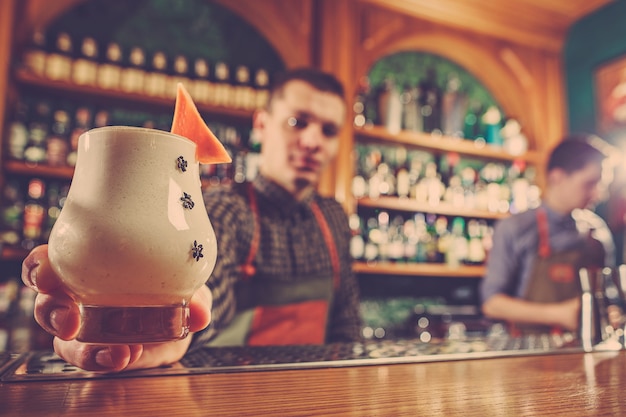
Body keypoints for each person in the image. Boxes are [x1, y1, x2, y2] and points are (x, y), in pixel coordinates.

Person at [20, 67, 362, 371]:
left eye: (329, 130)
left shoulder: (332, 217)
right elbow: (206, 292)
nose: (312, 141)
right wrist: (174, 327)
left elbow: (346, 325)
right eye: (297, 122)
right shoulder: (225, 211)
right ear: (261, 125)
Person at [480, 134, 617, 334]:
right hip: (527, 351)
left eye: (601, 185)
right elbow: (492, 304)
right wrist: (558, 314)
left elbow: (608, 294)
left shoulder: (597, 230)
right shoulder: (515, 228)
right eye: (590, 183)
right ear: (557, 178)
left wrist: (611, 311)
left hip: (584, 348)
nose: (599, 194)